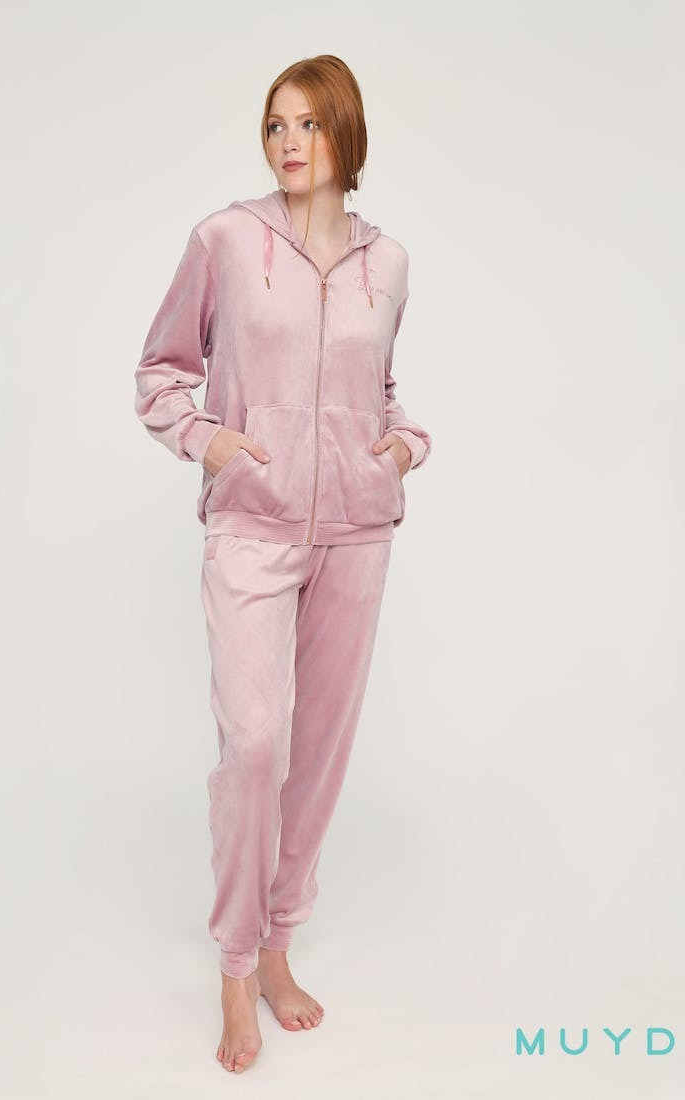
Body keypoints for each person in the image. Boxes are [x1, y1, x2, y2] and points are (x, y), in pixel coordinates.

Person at [134, 54, 432, 1074]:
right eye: (275, 124)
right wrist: (209, 440)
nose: (288, 142)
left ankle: (277, 945)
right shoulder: (224, 239)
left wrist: (403, 445)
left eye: (307, 123)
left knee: (318, 752)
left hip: (357, 529)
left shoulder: (390, 262)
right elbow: (160, 369)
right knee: (255, 745)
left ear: (346, 133)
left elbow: (378, 387)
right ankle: (232, 963)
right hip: (252, 527)